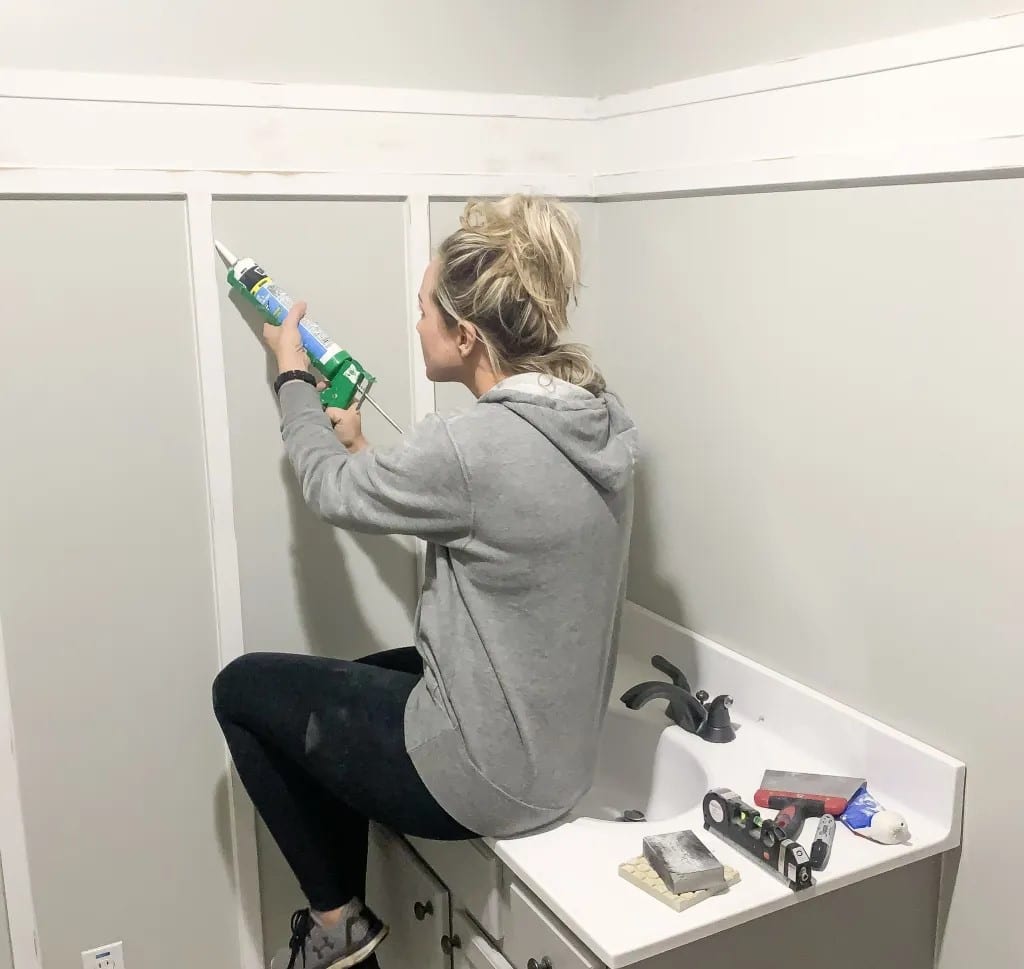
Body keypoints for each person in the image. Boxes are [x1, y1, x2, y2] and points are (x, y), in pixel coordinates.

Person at [212, 195, 638, 969]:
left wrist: (291, 376)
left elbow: (328, 489)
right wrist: (369, 446)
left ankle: (335, 924)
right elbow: (492, 518)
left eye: (424, 311)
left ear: (467, 336)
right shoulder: (597, 419)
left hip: (487, 780)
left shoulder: (467, 446)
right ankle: (345, 926)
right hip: (561, 758)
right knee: (342, 689)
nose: (416, 325)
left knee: (242, 691)